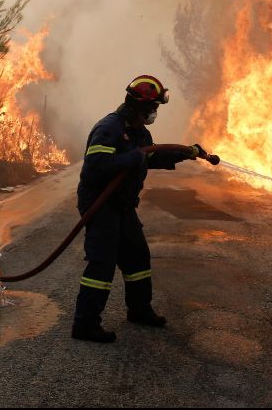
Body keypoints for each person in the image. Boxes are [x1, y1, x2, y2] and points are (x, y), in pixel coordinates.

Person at [71, 74, 206, 343]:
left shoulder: (140, 131)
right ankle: (85, 325)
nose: (155, 112)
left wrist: (187, 152)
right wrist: (131, 158)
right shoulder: (109, 128)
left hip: (123, 206)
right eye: (152, 107)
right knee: (102, 264)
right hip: (101, 204)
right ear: (137, 106)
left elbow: (152, 156)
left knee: (137, 258)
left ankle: (139, 310)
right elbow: (95, 167)